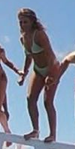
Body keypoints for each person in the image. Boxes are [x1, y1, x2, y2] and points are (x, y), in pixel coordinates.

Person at [17, 8, 59, 142]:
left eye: (25, 22)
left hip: (51, 67)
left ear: (32, 22)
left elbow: (50, 55)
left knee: (47, 101)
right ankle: (35, 130)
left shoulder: (39, 35)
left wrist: (51, 75)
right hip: (37, 69)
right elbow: (28, 56)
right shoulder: (23, 38)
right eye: (21, 22)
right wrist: (24, 73)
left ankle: (52, 134)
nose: (23, 25)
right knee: (30, 99)